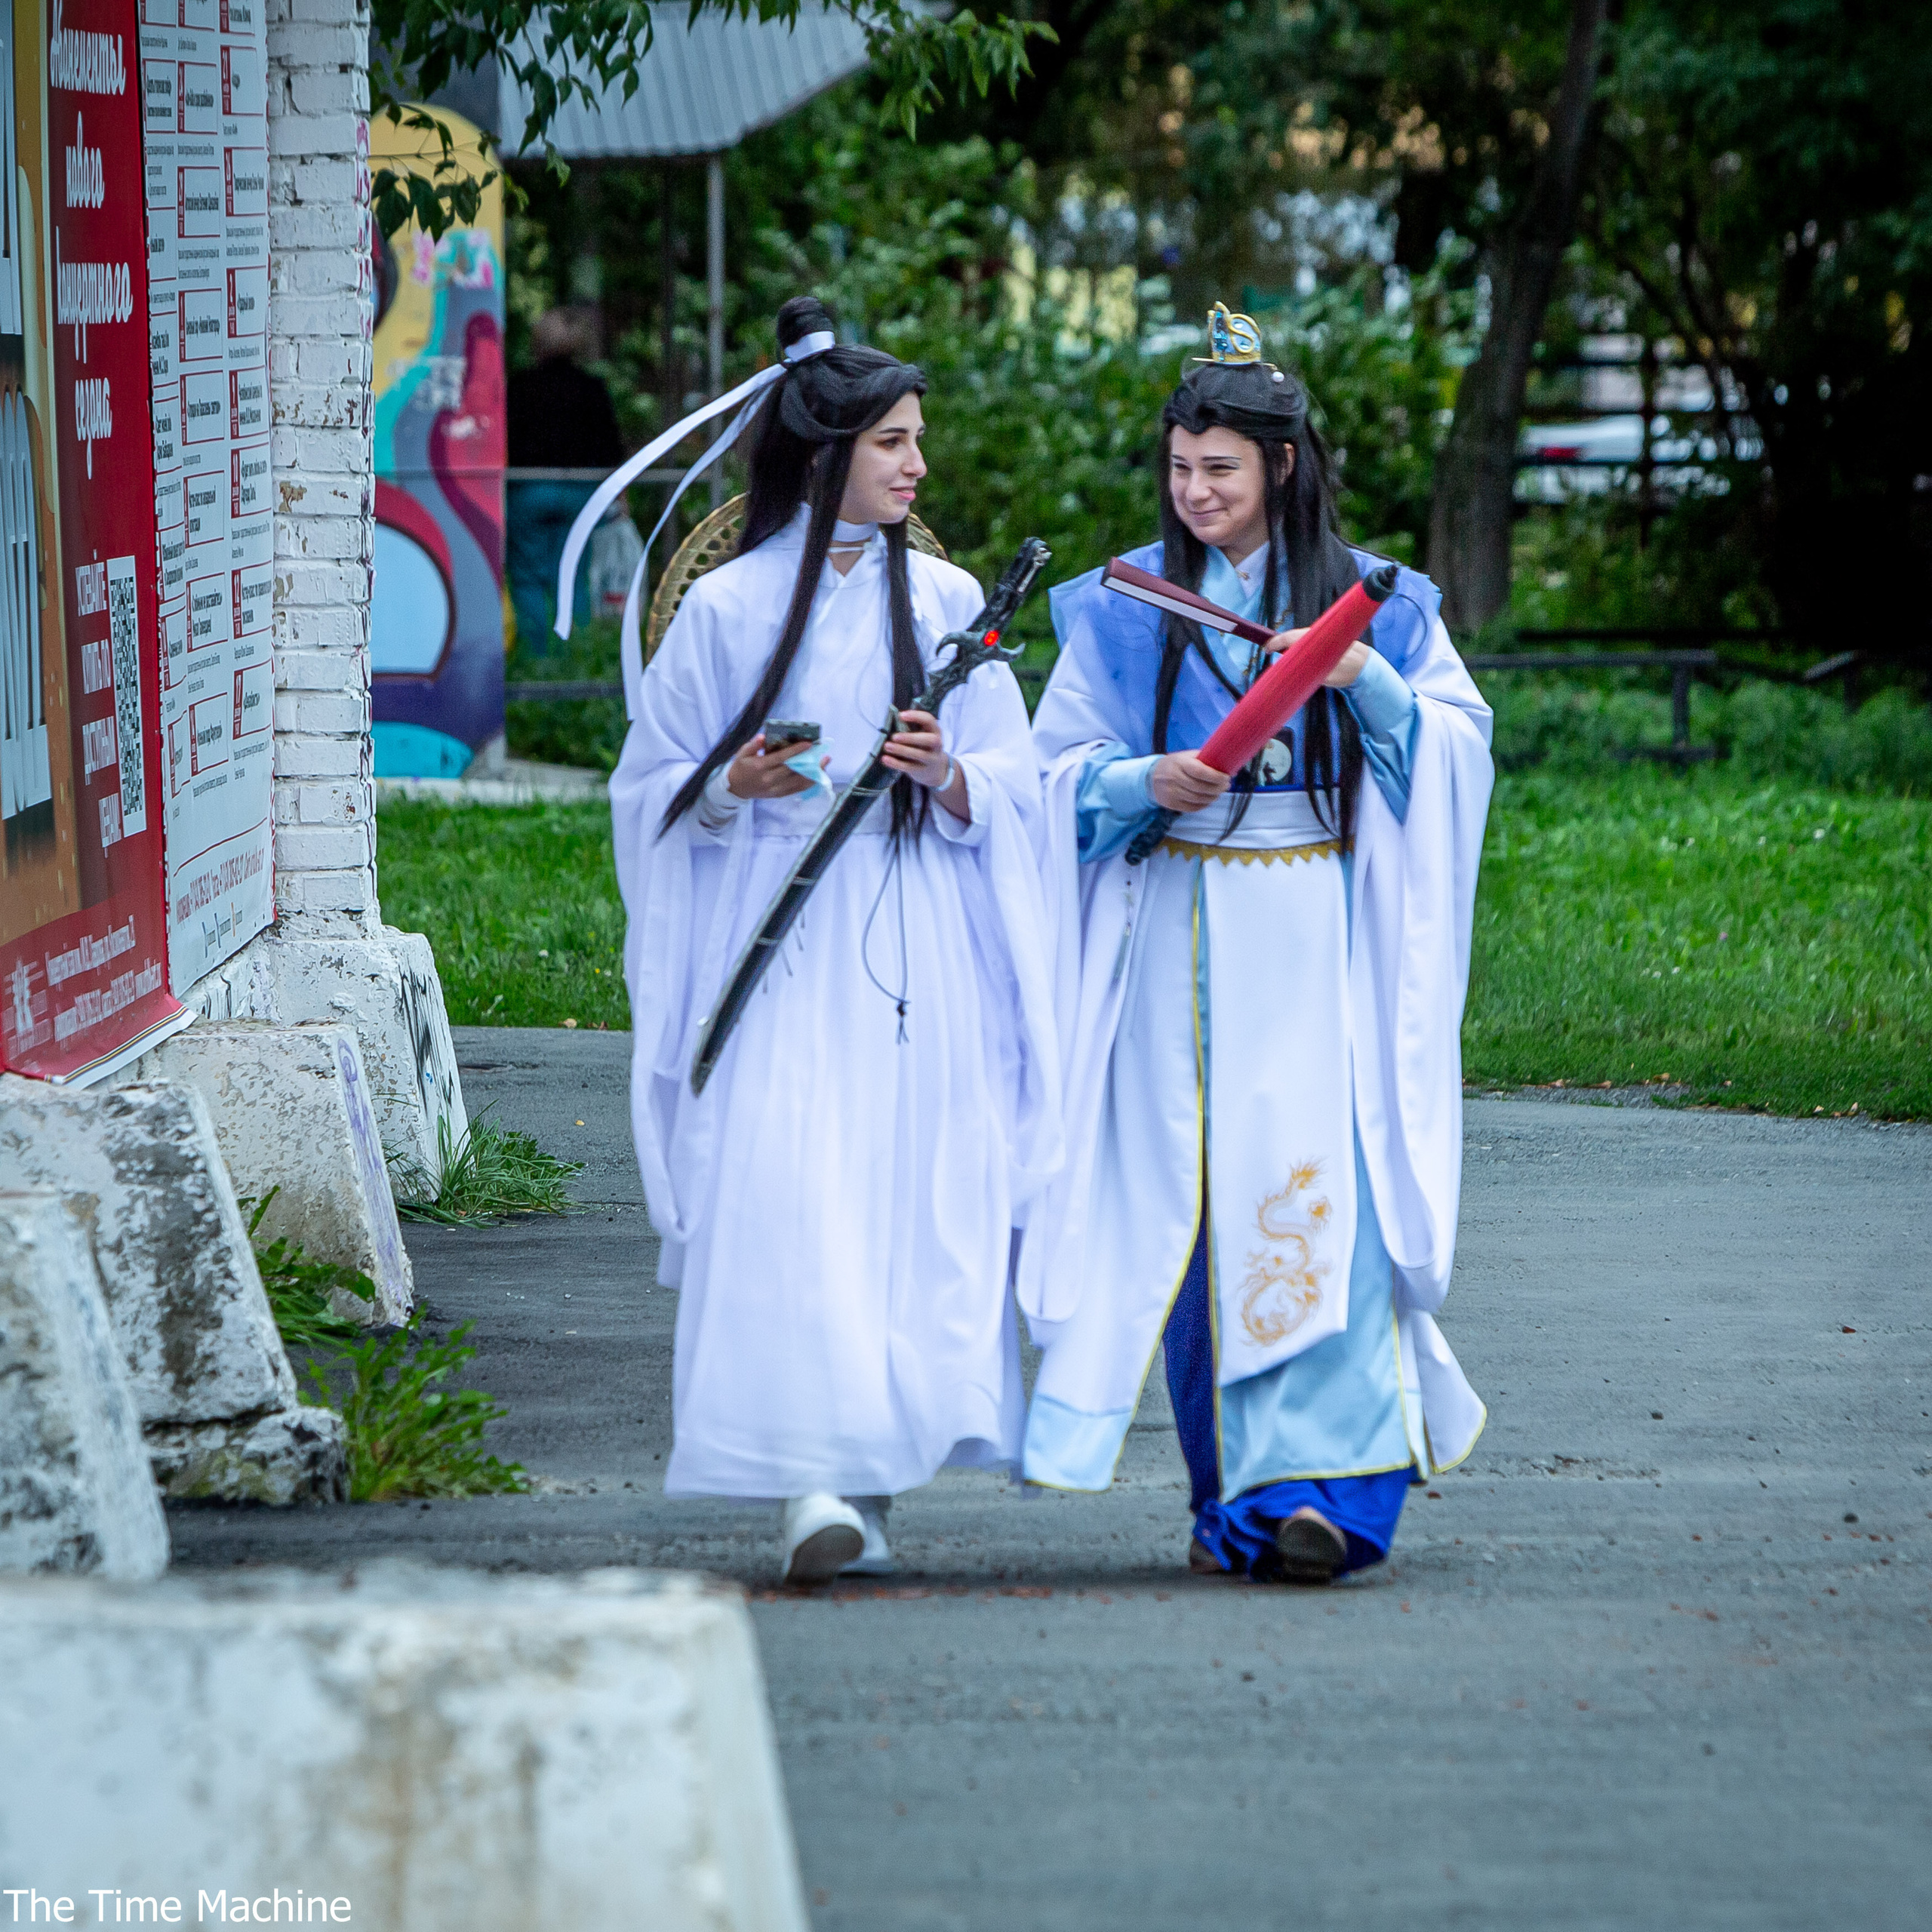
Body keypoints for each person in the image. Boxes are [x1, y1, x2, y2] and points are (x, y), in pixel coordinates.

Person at [1018, 304, 1492, 1585]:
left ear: (1282, 465)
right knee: (1194, 1204)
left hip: (1317, 931)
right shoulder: (1126, 606)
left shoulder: (1374, 603)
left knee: (1321, 1198)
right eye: (1180, 468)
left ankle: (1327, 1496)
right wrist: (1135, 785)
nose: (1196, 492)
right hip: (1177, 927)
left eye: (1220, 468)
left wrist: (1365, 683)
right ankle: (1231, 1499)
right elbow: (1044, 775)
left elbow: (1458, 744)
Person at [608, 296, 1061, 1585]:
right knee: (793, 1190)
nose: (917, 465)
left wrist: (949, 771)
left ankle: (871, 1463)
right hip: (778, 933)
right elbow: (649, 786)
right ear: (826, 455)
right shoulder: (729, 609)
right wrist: (720, 785)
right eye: (893, 443)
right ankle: (804, 1472)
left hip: (916, 932)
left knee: (905, 1193)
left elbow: (1015, 782)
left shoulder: (958, 599)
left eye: (918, 441)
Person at [506, 307, 626, 651]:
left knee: (527, 579)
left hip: (528, 490)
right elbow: (611, 449)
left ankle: (536, 658)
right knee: (573, 575)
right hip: (580, 495)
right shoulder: (592, 388)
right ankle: (574, 658)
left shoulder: (519, 387)